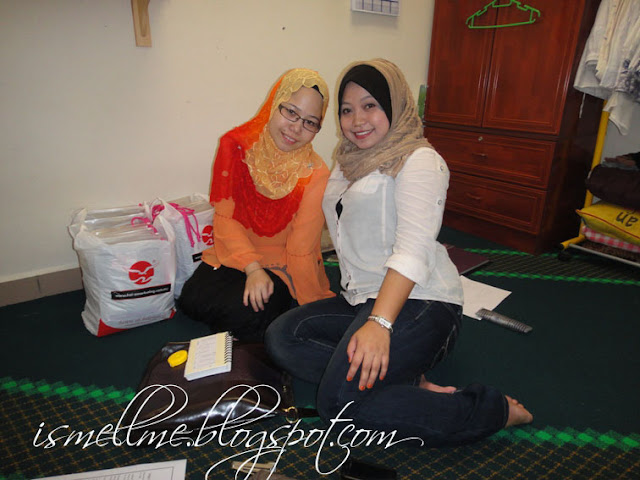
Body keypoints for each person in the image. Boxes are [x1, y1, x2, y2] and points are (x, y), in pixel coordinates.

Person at [265, 59, 533, 447]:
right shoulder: (347, 161)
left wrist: (380, 324)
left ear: (394, 104)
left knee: (338, 406)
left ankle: (490, 410)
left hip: (423, 303)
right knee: (282, 337)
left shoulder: (419, 160)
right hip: (363, 299)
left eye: (370, 105)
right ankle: (401, 376)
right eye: (347, 110)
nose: (357, 120)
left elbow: (413, 249)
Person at [178, 68, 335, 342]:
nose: (296, 128)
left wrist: (310, 305)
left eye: (310, 122)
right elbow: (226, 218)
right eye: (291, 112)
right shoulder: (236, 146)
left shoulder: (316, 173)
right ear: (275, 103)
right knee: (191, 299)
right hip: (234, 253)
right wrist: (251, 268)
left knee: (247, 313)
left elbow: (301, 248)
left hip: (281, 264)